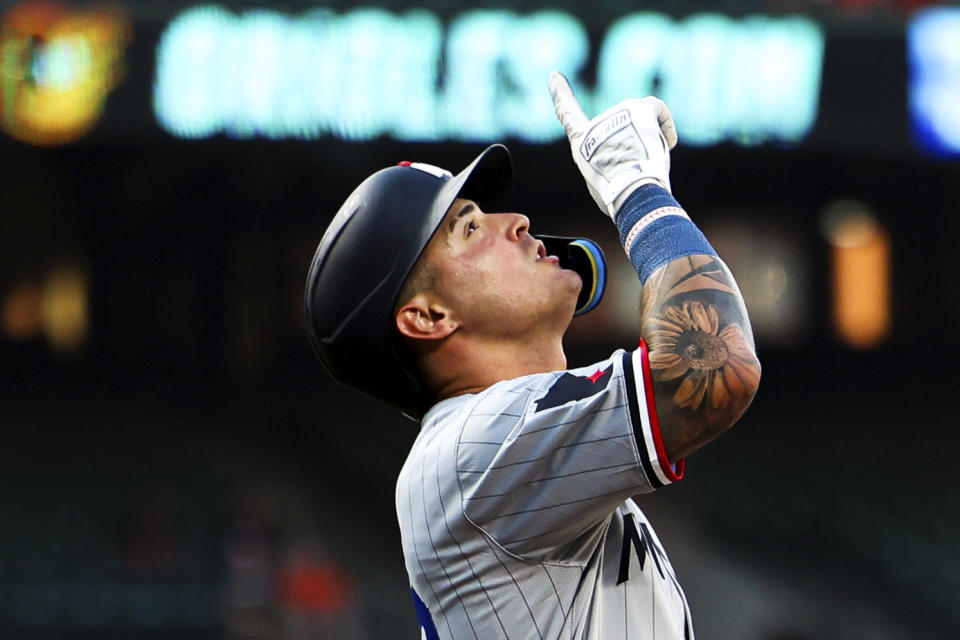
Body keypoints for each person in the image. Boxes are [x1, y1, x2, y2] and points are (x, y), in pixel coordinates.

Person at [304, 72, 761, 640]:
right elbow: (712, 366)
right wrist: (638, 195)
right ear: (427, 317)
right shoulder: (471, 450)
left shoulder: (504, 450)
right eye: (469, 228)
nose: (516, 221)